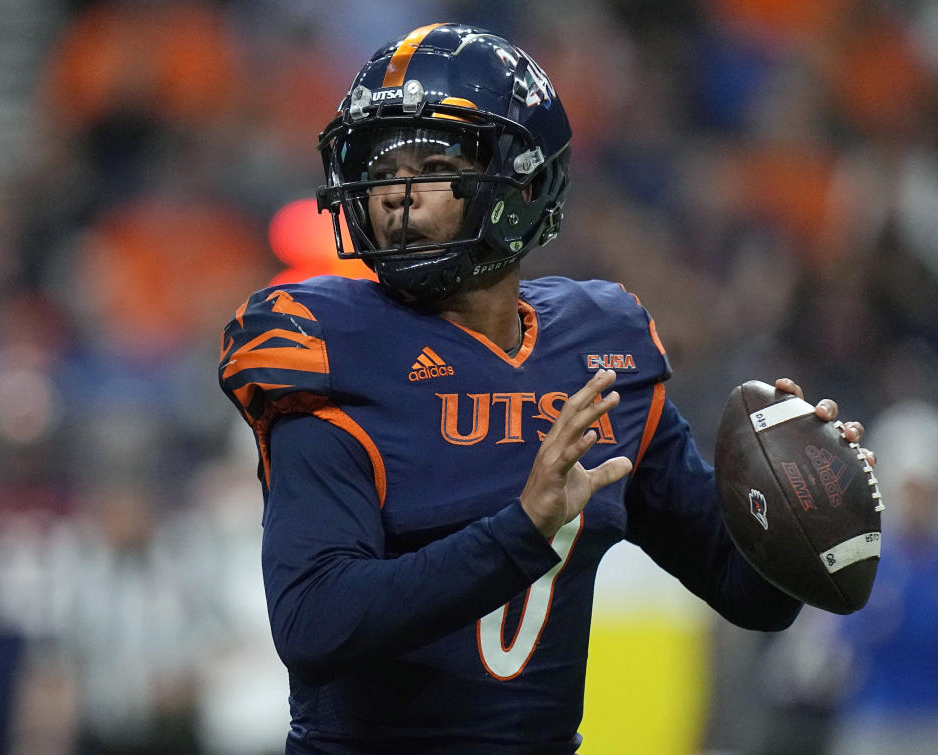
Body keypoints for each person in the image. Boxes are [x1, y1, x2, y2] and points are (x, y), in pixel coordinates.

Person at [218, 23, 872, 754]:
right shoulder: (332, 347)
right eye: (381, 166)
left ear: (523, 185)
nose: (396, 196)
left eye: (432, 163)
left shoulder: (600, 348)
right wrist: (519, 532)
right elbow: (313, 622)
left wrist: (802, 518)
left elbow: (743, 591)